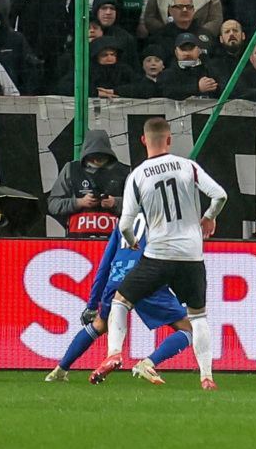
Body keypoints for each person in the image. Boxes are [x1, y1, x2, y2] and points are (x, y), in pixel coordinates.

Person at [93, 117, 228, 390]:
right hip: (191, 256)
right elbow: (220, 195)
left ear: (144, 141)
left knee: (120, 301)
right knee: (198, 316)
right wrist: (209, 217)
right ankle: (206, 377)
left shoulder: (138, 175)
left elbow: (125, 224)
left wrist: (131, 242)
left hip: (157, 255)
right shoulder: (188, 166)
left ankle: (114, 352)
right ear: (169, 139)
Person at [45, 221, 196, 385]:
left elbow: (105, 264)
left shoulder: (126, 219)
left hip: (116, 277)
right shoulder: (162, 216)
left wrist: (93, 304)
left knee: (100, 324)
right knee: (189, 329)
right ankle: (148, 364)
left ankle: (60, 370)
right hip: (146, 276)